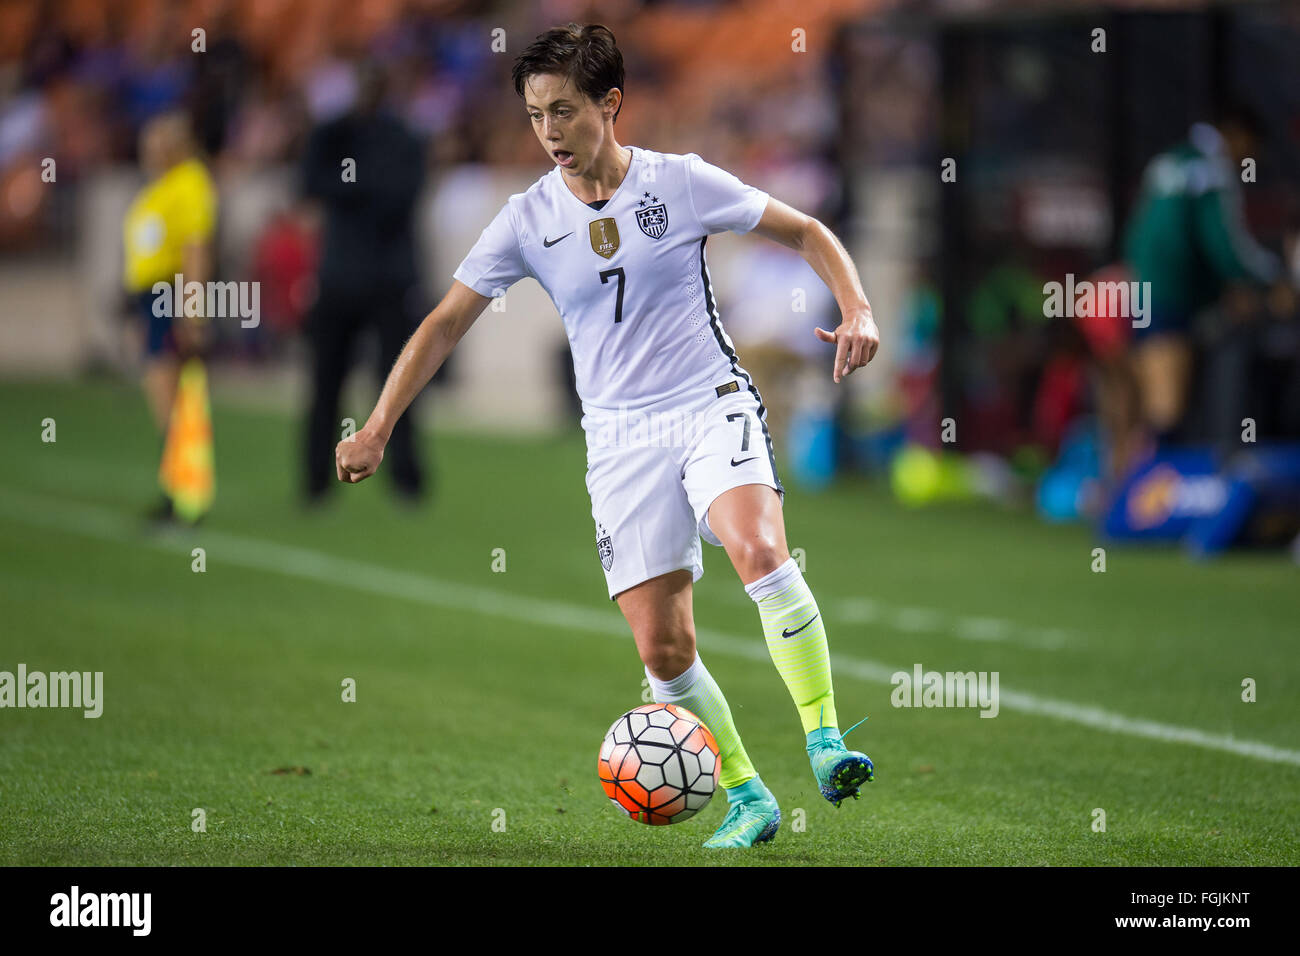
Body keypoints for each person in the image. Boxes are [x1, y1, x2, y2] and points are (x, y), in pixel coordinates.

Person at [336, 24, 880, 849]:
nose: (548, 131)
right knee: (663, 650)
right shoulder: (527, 220)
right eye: (533, 115)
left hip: (708, 400)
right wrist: (377, 424)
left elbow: (805, 230)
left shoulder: (682, 183)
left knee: (758, 548)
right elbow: (445, 323)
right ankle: (746, 795)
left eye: (563, 110)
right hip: (620, 437)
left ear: (610, 104)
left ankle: (826, 737)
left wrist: (858, 308)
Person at [301, 61, 427, 505]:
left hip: (386, 279)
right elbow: (308, 182)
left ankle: (407, 481)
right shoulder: (335, 134)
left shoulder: (403, 138)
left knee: (399, 381)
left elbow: (402, 195)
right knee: (325, 382)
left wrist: (349, 188)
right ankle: (316, 481)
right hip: (342, 277)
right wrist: (363, 188)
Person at [1123, 106, 1282, 454]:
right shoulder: (1210, 170)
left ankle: (1124, 493)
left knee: (1141, 413)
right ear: (1238, 136)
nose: (1248, 163)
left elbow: (1139, 232)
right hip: (1170, 297)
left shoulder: (1169, 160)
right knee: (1166, 414)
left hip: (1141, 292)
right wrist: (1272, 278)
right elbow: (1225, 245)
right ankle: (1145, 501)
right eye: (1251, 151)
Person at [121, 111, 217, 522]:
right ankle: (175, 493)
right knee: (164, 398)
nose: (149, 150)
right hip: (154, 297)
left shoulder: (190, 182)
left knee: (173, 401)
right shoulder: (165, 185)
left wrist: (192, 314)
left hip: (169, 296)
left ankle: (184, 498)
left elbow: (196, 250)